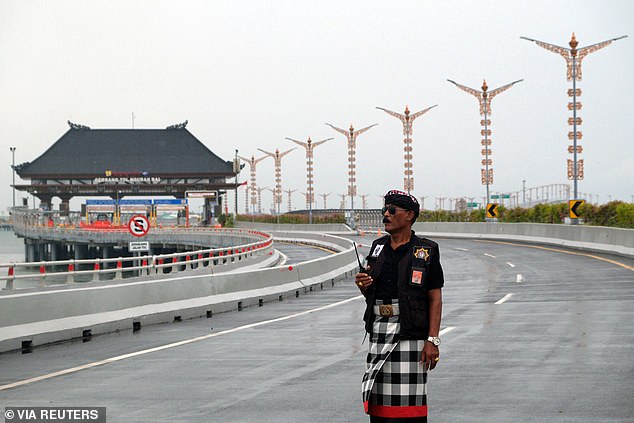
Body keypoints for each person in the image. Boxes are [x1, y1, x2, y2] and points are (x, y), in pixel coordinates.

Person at [356, 189, 444, 422]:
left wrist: (432, 341)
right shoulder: (377, 248)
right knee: (378, 407)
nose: (386, 214)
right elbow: (371, 291)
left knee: (409, 412)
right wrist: (364, 285)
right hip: (379, 333)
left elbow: (435, 298)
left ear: (409, 216)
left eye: (392, 210)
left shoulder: (426, 251)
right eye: (384, 210)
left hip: (411, 335)